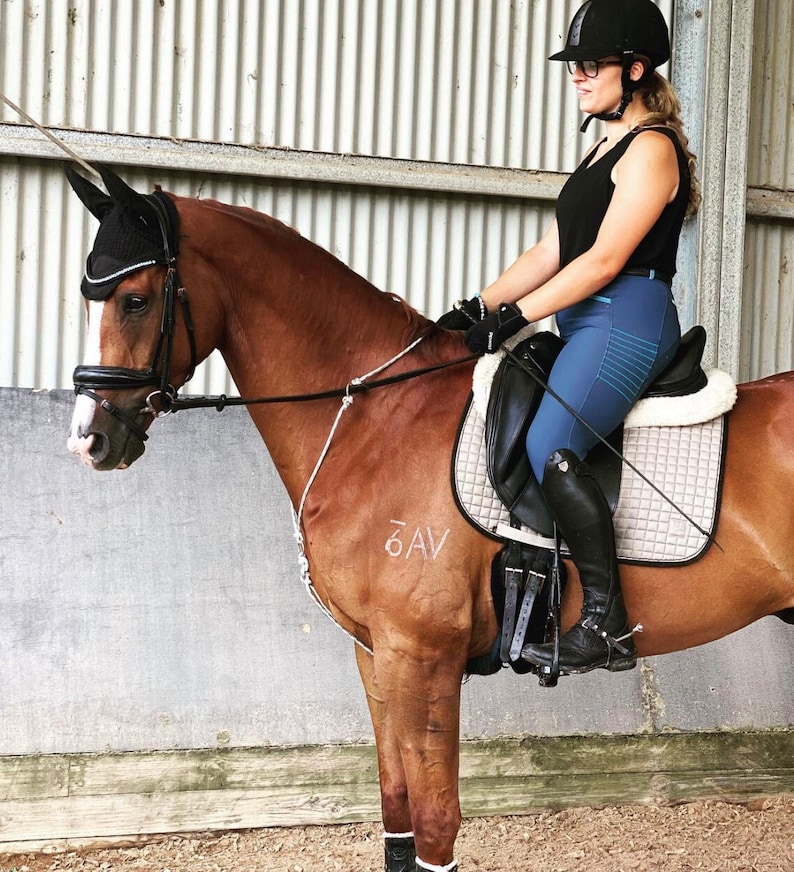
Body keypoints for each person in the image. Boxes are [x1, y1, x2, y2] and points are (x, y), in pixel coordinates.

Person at [438, 0, 701, 676]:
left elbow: (604, 260)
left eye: (590, 66)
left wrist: (516, 317)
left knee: (550, 442)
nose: (577, 77)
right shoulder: (602, 146)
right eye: (575, 67)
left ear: (635, 69)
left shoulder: (653, 150)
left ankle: (606, 623)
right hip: (582, 316)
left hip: (626, 318)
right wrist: (478, 305)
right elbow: (554, 248)